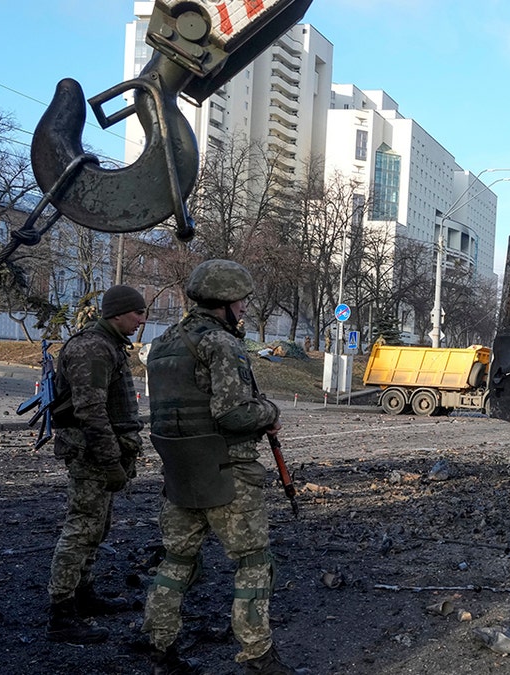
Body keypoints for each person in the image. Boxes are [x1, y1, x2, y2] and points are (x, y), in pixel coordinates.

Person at [143, 259, 292, 674]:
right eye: (241, 299)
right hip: (228, 471)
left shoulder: (163, 343)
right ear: (224, 301)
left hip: (179, 469)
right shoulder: (222, 345)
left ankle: (160, 648)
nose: (245, 306)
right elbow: (233, 414)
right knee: (253, 562)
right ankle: (258, 655)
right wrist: (269, 410)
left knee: (176, 561)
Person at [46, 285, 148, 644]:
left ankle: (83, 595)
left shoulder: (107, 344)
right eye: (137, 313)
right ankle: (61, 613)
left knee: (96, 529)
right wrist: (111, 463)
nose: (141, 320)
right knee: (82, 529)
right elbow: (91, 411)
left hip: (102, 454)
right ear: (117, 313)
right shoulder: (92, 347)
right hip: (92, 456)